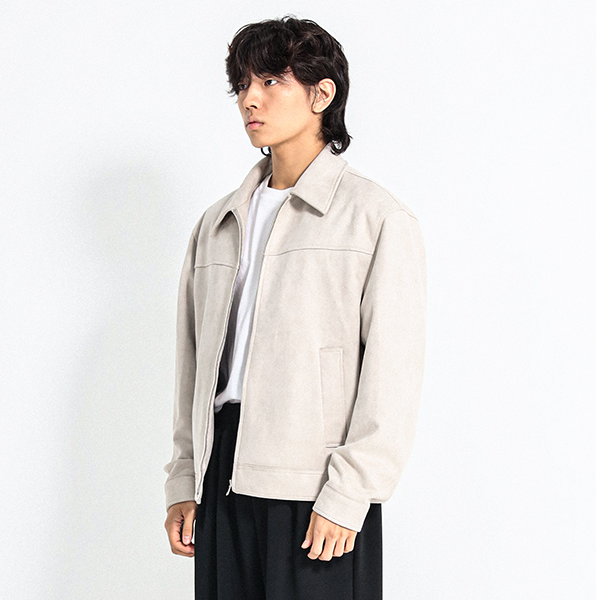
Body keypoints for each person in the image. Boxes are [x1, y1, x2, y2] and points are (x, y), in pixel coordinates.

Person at [163, 15, 427, 600]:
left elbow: (393, 375)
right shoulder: (216, 224)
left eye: (271, 81)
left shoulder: (376, 218)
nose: (249, 99)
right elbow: (193, 366)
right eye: (242, 85)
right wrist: (184, 478)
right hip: (221, 472)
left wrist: (350, 494)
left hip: (315, 483)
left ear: (321, 94)